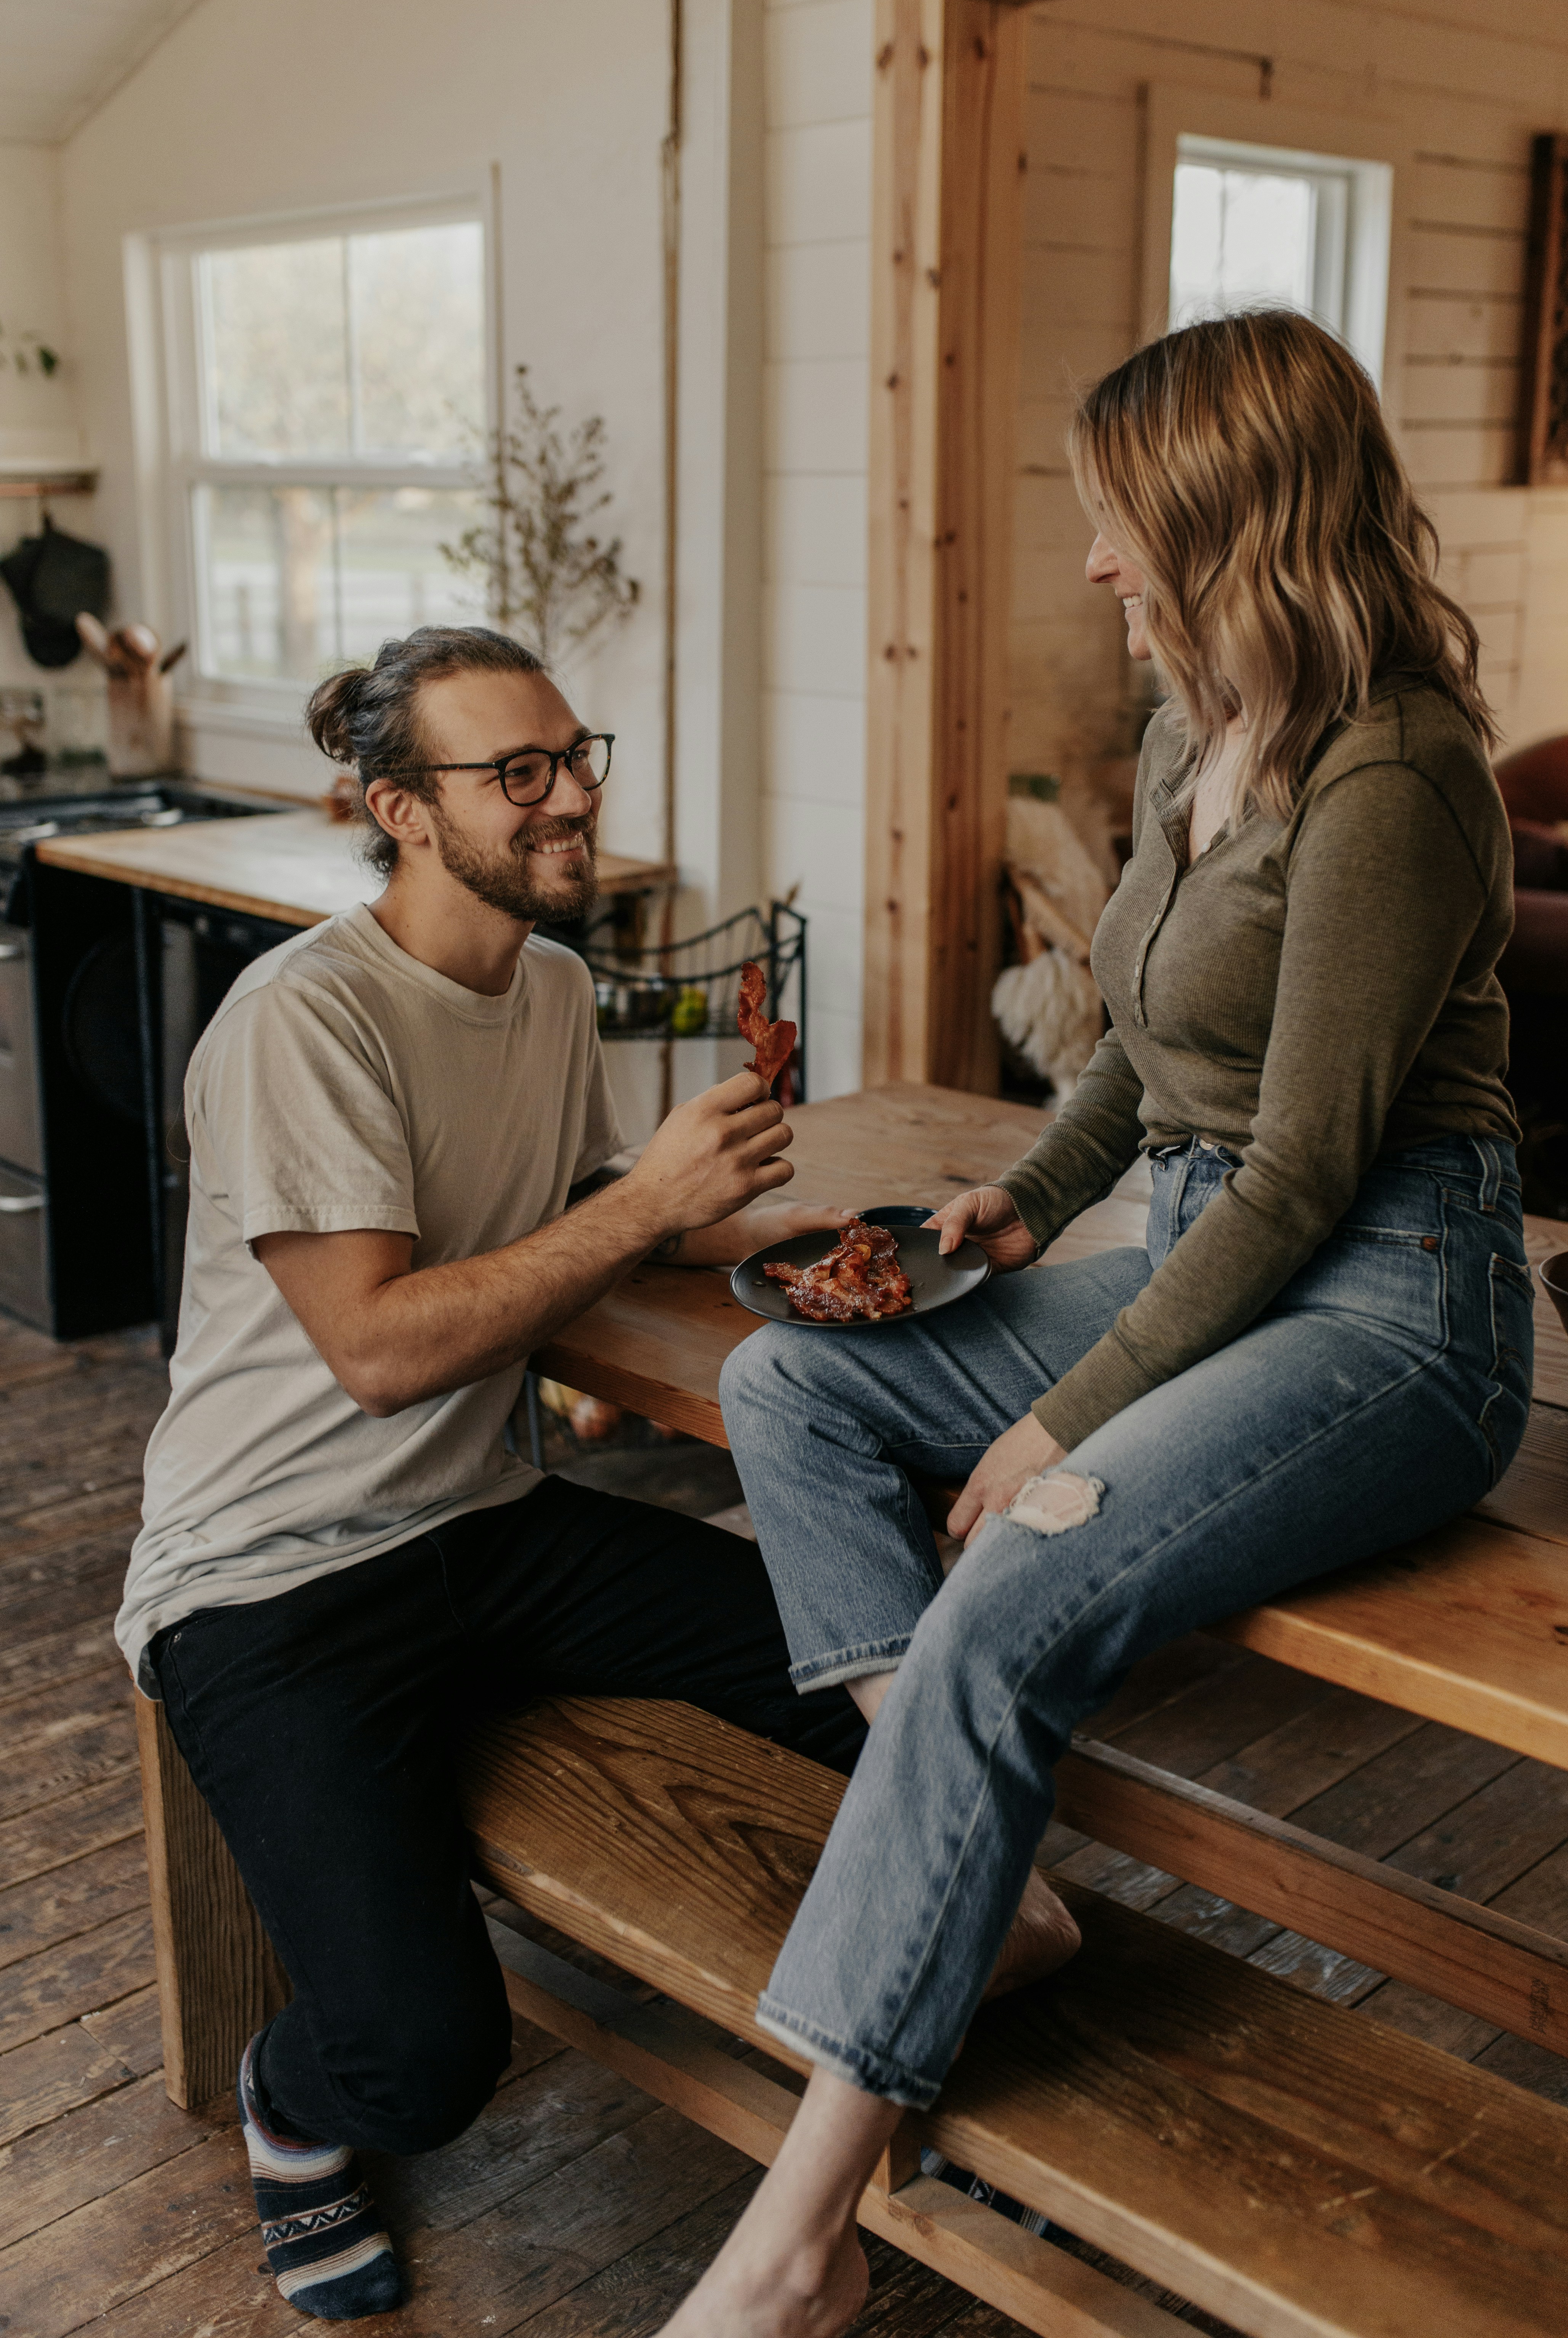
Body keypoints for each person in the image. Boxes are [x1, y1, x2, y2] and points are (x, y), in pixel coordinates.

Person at [667, 308, 1535, 2337]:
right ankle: (994, 1885)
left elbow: (1316, 1163)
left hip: (1400, 1306)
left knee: (1007, 1595)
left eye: (1120, 522)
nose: (1092, 564)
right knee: (789, 1373)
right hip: (1205, 1253)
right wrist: (1028, 1198)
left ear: (1232, 515)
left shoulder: (1398, 771)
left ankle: (798, 2239)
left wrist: (1061, 1418)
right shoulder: (1184, 730)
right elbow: (1152, 1053)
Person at [116, 625, 863, 2323]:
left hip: (482, 1528)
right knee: (427, 2060)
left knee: (863, 1643)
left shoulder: (551, 987)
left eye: (573, 755)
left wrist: (756, 1236)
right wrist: (644, 1207)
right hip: (268, 1579)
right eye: (516, 773)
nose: (573, 795)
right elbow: (378, 1348)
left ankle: (912, 2002)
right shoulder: (301, 1020)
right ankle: (289, 2108)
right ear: (402, 809)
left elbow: (568, 1213)